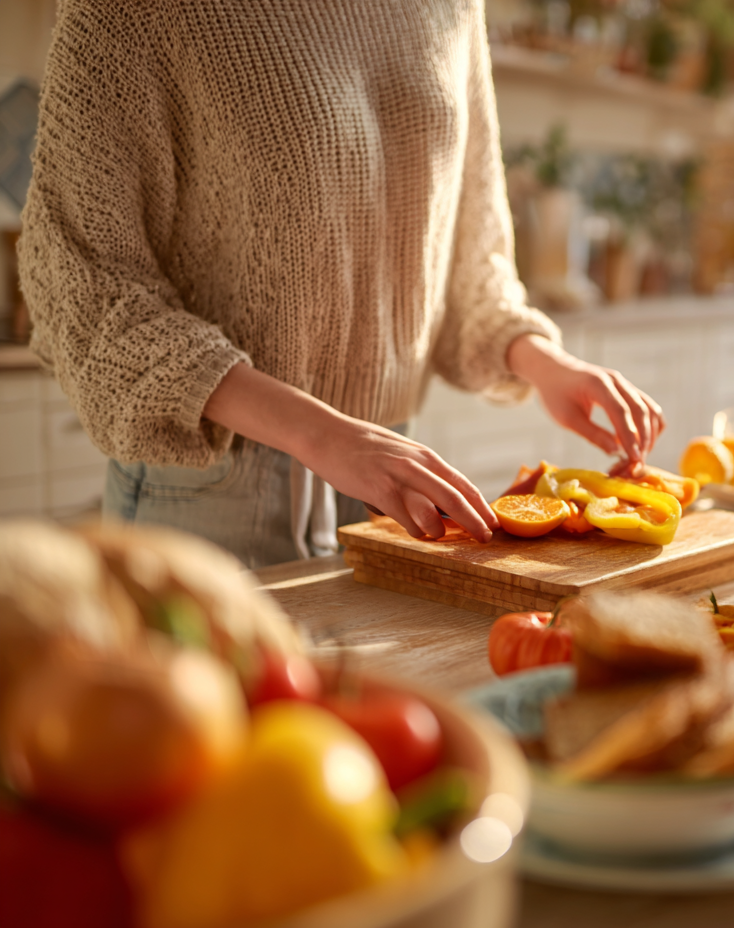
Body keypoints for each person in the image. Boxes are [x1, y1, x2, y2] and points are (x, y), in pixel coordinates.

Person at [18, 0, 663, 567]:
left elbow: (469, 256)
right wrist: (319, 433)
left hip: (395, 483)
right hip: (207, 488)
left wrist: (540, 360)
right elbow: (81, 282)